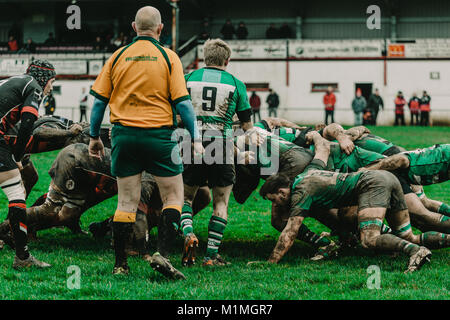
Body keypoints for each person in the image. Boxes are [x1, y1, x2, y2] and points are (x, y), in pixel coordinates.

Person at [88, 6, 202, 277]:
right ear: (160, 28)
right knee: (174, 196)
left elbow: (98, 102)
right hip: (159, 136)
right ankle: (161, 253)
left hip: (124, 136)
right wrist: (195, 138)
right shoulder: (168, 57)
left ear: (133, 27)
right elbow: (183, 105)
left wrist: (94, 136)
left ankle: (120, 265)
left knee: (126, 202)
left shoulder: (117, 57)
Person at [259, 143, 447, 272]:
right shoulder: (307, 173)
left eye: (273, 199)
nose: (275, 204)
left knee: (369, 239)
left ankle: (416, 252)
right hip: (389, 178)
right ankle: (432, 243)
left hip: (373, 184)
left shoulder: (300, 192)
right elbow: (321, 154)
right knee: (408, 236)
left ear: (282, 191)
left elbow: (290, 231)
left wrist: (271, 262)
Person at [182, 39, 253, 266]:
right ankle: (211, 256)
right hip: (221, 144)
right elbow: (246, 125)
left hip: (191, 142)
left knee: (184, 197)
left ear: (204, 57)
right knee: (220, 203)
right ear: (227, 60)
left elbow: (175, 114)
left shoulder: (187, 79)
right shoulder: (235, 83)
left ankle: (188, 234)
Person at [0, 59, 55, 269]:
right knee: (16, 192)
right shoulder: (34, 86)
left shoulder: (14, 81)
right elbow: (27, 125)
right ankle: (22, 258)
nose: (51, 87)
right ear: (45, 79)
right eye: (52, 82)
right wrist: (17, 157)